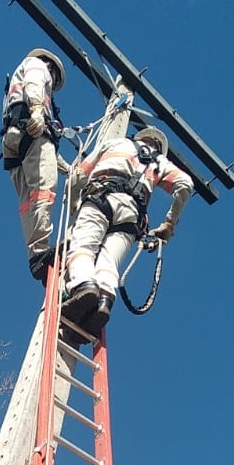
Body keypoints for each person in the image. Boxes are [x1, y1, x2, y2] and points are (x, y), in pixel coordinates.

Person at [61, 127, 194, 340]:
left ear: (139, 137)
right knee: (109, 262)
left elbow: (78, 177)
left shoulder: (115, 144)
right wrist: (169, 223)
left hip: (100, 197)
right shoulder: (160, 162)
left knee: (82, 248)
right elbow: (186, 184)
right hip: (131, 216)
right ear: (159, 147)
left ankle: (83, 286)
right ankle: (103, 302)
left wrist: (75, 208)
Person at [1, 48, 70, 281]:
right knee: (44, 190)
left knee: (28, 202)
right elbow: (34, 83)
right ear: (51, 67)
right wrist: (39, 110)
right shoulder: (37, 66)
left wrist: (67, 168)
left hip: (15, 138)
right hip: (32, 130)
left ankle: (35, 254)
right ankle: (40, 252)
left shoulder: (17, 79)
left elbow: (46, 155)